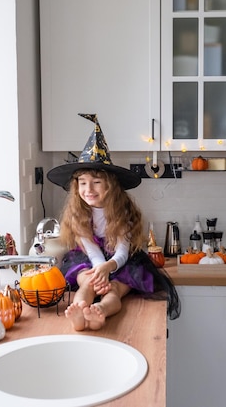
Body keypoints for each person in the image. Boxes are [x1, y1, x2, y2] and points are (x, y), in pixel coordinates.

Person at [47, 113, 180, 331]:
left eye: (96, 182)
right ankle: (80, 310)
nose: (88, 190)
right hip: (91, 259)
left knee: (114, 290)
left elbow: (122, 252)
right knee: (87, 281)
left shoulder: (122, 213)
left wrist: (108, 268)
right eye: (82, 183)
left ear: (111, 185)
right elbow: (91, 251)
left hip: (122, 262)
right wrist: (100, 270)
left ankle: (100, 313)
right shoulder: (78, 213)